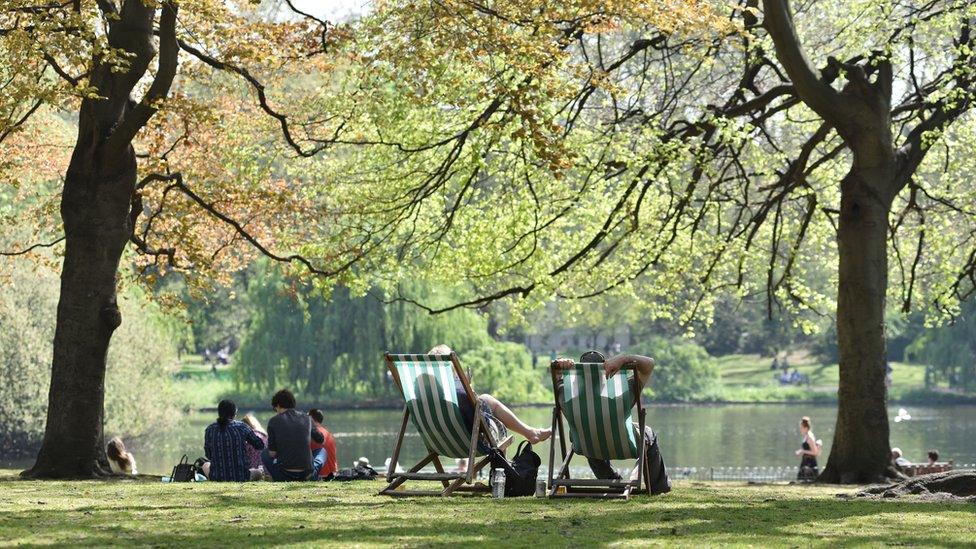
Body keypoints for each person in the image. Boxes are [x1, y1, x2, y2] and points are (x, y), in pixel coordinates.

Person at [551, 350, 671, 495]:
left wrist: (560, 363)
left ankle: (613, 481)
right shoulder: (622, 395)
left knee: (588, 432)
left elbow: (556, 374)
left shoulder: (566, 399)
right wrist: (624, 358)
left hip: (586, 446)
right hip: (627, 446)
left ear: (579, 377)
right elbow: (649, 364)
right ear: (604, 374)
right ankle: (658, 486)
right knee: (648, 432)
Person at [428, 345, 551, 444]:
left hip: (439, 442)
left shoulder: (421, 393)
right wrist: (467, 388)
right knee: (487, 401)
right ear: (450, 366)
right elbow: (475, 416)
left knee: (485, 400)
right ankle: (529, 434)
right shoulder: (456, 389)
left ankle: (531, 433)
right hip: (465, 439)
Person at [261, 389, 325, 481]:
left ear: (278, 405)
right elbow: (321, 440)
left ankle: (278, 477)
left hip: (284, 474)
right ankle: (311, 475)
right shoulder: (307, 418)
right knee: (322, 451)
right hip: (306, 474)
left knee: (264, 453)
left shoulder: (273, 421)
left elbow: (272, 454)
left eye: (276, 410)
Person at [204, 400, 265, 482]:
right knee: (259, 472)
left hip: (217, 477)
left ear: (219, 413)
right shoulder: (242, 427)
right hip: (241, 477)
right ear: (234, 413)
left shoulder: (210, 429)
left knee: (205, 465)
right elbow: (260, 445)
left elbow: (208, 455)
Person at [309, 409, 338, 479]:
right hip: (333, 473)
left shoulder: (311, 434)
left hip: (320, 475)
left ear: (311, 418)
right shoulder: (329, 434)